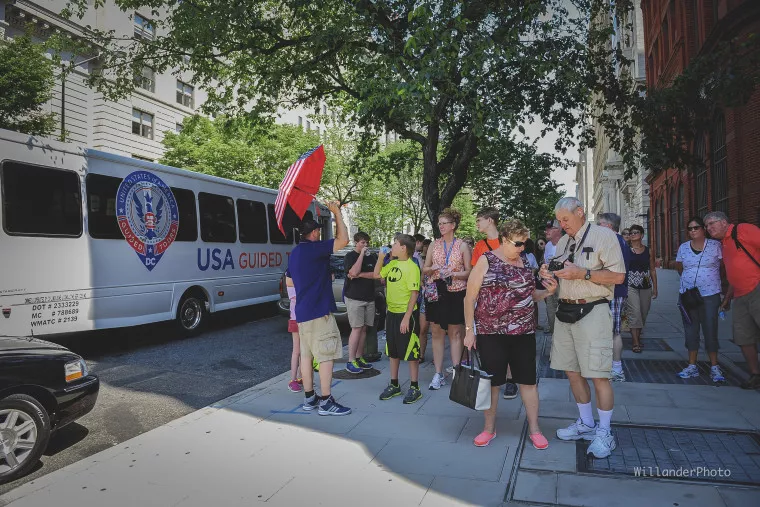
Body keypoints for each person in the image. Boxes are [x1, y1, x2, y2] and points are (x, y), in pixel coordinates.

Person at [539, 197, 625, 459]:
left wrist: (584, 274)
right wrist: (548, 274)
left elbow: (618, 276)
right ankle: (587, 424)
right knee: (572, 371)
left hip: (593, 309)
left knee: (599, 374)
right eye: (559, 220)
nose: (561, 224)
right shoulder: (564, 241)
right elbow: (562, 272)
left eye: (565, 219)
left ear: (580, 212)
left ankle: (605, 432)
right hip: (565, 309)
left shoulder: (603, 236)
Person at [465, 219, 558, 449]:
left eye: (524, 243)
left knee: (528, 382)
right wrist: (469, 330)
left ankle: (535, 430)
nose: (522, 248)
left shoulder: (526, 261)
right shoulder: (487, 260)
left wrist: (547, 292)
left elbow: (529, 295)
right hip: (491, 332)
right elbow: (469, 298)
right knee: (493, 383)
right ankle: (488, 429)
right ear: (505, 239)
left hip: (523, 332)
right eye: (518, 244)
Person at [289, 201, 351, 416]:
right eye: (318, 231)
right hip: (318, 312)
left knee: (306, 356)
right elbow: (344, 240)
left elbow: (294, 280)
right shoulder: (315, 249)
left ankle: (310, 398)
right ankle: (326, 401)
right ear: (314, 233)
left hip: (303, 313)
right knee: (325, 356)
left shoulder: (296, 253)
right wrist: (336, 213)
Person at [704, 211, 760, 390]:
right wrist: (727, 297)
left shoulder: (743, 230)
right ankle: (755, 374)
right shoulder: (723, 244)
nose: (708, 228)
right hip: (739, 295)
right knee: (743, 337)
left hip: (757, 288)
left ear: (723, 222)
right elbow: (734, 273)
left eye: (711, 223)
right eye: (706, 226)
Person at [472, 207, 519, 400]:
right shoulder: (479, 246)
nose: (477, 224)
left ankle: (510, 379)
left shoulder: (507, 241)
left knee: (508, 341)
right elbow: (475, 274)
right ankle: (492, 378)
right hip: (486, 301)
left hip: (507, 300)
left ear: (490, 220)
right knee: (489, 342)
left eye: (479, 220)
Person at [423, 208, 472, 390]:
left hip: (456, 291)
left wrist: (454, 273)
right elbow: (425, 269)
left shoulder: (462, 246)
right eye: (439, 223)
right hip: (437, 291)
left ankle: (457, 372)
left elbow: (469, 272)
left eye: (444, 223)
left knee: (456, 333)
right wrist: (434, 268)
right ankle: (438, 373)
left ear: (453, 226)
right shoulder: (434, 245)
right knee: (436, 331)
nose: (441, 226)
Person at [374, 234, 424, 404]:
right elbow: (376, 275)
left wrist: (407, 318)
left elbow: (414, 294)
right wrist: (381, 257)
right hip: (392, 313)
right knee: (393, 350)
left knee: (411, 351)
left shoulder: (412, 267)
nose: (392, 247)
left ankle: (415, 387)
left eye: (395, 244)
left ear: (403, 248)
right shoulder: (392, 263)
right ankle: (394, 384)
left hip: (406, 314)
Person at [674, 217, 725, 382]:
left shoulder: (716, 246)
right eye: (690, 229)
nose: (693, 231)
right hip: (688, 295)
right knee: (690, 329)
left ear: (703, 229)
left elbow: (724, 268)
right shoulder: (683, 247)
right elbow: (680, 268)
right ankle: (692, 365)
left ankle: (715, 366)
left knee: (710, 328)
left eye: (696, 228)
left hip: (710, 294)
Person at [597, 213, 630, 382]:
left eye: (599, 224)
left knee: (613, 332)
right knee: (610, 330)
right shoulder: (620, 241)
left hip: (614, 292)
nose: (597, 227)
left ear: (609, 227)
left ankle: (616, 369)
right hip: (614, 292)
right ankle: (611, 367)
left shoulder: (613, 241)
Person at [344, 231, 378, 374]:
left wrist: (361, 275)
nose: (365, 245)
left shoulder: (373, 257)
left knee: (364, 328)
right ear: (356, 242)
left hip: (369, 297)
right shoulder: (350, 256)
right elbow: (352, 273)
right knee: (356, 328)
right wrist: (362, 255)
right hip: (354, 298)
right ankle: (350, 360)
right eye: (362, 242)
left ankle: (359, 357)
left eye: (367, 242)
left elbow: (377, 274)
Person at [625, 224, 658, 353]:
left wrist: (655, 288)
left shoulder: (648, 250)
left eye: (636, 232)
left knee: (643, 313)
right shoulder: (626, 250)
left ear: (642, 235)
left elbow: (653, 269)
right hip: (630, 285)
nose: (633, 234)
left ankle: (637, 336)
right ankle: (635, 342)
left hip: (645, 285)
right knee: (635, 312)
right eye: (631, 233)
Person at [543, 220, 562, 336]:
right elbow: (546, 264)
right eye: (546, 229)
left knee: (563, 310)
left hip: (563, 282)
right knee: (551, 311)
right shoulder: (548, 246)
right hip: (550, 281)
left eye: (550, 228)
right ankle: (554, 335)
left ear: (559, 229)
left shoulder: (567, 243)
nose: (547, 231)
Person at [413, 234, 430, 362]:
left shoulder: (421, 259)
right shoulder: (419, 259)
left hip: (434, 298)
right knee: (419, 327)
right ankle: (417, 353)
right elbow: (421, 280)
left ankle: (422, 354)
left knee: (429, 329)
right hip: (421, 297)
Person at [286, 273, 303, 392]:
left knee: (305, 351)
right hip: (296, 318)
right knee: (297, 350)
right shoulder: (290, 275)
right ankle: (293, 379)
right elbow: (295, 297)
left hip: (306, 318)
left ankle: (301, 376)